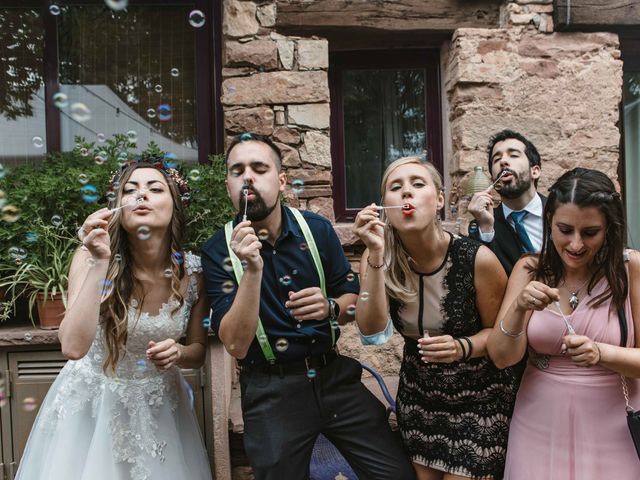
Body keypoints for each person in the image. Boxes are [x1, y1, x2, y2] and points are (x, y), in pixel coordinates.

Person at [201, 133, 415, 480]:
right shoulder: (218, 250)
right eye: (237, 171)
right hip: (271, 388)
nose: (248, 178)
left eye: (259, 168)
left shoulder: (315, 230)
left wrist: (330, 307)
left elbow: (352, 304)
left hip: (332, 376)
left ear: (281, 180)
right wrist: (252, 271)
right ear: (228, 183)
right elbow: (236, 344)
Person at [16, 160, 212, 480]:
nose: (140, 195)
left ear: (176, 205)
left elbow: (198, 349)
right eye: (130, 189)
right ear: (118, 207)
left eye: (154, 188)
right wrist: (99, 261)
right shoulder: (91, 255)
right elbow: (72, 346)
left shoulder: (194, 273)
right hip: (92, 408)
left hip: (159, 409)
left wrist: (179, 352)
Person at [353, 156, 517, 480]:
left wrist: (462, 347)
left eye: (417, 184)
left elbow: (500, 337)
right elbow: (372, 332)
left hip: (479, 399)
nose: (406, 194)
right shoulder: (376, 258)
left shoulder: (478, 260)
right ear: (383, 204)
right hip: (419, 400)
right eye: (395, 188)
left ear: (439, 199)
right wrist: (373, 255)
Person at [487, 167, 640, 479]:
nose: (576, 244)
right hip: (538, 421)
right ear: (549, 222)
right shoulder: (530, 269)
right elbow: (502, 357)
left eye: (590, 232)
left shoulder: (630, 269)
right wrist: (518, 307)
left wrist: (602, 353)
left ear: (609, 227)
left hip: (614, 426)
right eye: (565, 230)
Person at [467, 130, 546, 276]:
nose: (503, 161)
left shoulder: (557, 212)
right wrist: (486, 229)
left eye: (514, 155)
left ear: (534, 171)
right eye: (497, 159)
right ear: (493, 180)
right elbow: (483, 280)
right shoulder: (483, 227)